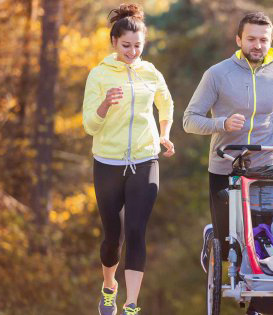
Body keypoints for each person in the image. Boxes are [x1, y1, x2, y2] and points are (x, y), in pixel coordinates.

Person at [183, 11, 273, 315]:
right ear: (239, 40)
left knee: (264, 239)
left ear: (271, 41)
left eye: (263, 39)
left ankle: (258, 307)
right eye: (251, 38)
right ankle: (214, 234)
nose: (257, 44)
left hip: (265, 168)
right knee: (229, 249)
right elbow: (189, 121)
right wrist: (223, 123)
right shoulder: (217, 74)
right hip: (225, 165)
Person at [82, 4, 174, 315]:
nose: (132, 52)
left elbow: (166, 103)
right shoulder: (99, 75)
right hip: (108, 164)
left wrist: (164, 134)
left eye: (138, 46)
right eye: (126, 46)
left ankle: (132, 304)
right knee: (113, 236)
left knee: (136, 230)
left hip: (146, 160)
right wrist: (106, 104)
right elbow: (90, 126)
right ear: (113, 43)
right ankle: (109, 286)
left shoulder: (151, 72)